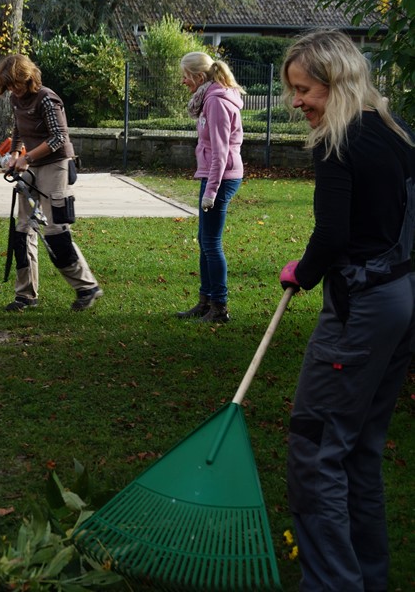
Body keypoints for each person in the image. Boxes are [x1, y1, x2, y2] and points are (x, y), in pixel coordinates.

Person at [278, 29, 415, 591]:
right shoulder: (398, 132)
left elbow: (332, 234)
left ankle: (334, 584)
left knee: (315, 450)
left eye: (304, 89)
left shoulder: (338, 143)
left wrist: (303, 273)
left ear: (336, 83)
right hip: (401, 301)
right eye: (293, 90)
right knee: (359, 450)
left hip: (360, 311)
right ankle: (367, 579)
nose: (297, 102)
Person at [0, 54, 103, 312]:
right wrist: (15, 154)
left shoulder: (47, 98)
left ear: (28, 77)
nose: (14, 90)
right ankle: (26, 295)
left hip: (56, 165)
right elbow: (19, 129)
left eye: (16, 84)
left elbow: (58, 137)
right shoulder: (15, 99)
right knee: (22, 230)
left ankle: (86, 287)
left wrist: (27, 157)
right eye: (9, 86)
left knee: (55, 231)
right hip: (31, 166)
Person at [175, 52, 244, 323]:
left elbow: (220, 152)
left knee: (212, 243)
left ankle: (219, 307)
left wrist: (211, 191)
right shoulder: (210, 98)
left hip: (222, 177)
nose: (183, 81)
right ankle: (205, 302)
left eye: (185, 76)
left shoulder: (216, 101)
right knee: (205, 241)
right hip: (214, 175)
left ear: (199, 77)